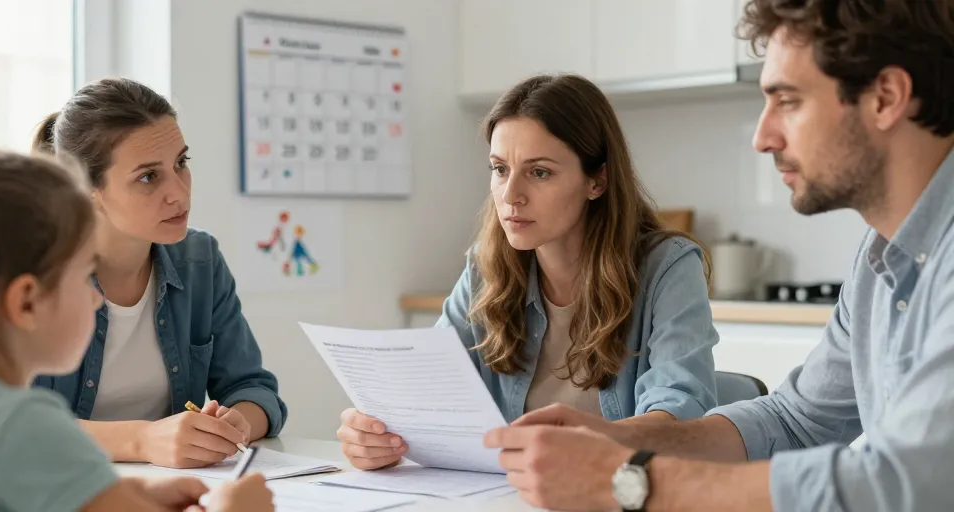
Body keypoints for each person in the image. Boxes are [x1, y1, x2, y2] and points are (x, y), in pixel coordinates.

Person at [482, 0, 954, 510]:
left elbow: (907, 483)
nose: (761, 136)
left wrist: (628, 482)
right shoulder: (878, 258)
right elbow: (796, 420)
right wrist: (612, 440)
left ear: (884, 97)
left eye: (788, 101)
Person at [338, 74, 720, 470]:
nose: (510, 195)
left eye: (539, 173)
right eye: (500, 169)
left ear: (598, 180)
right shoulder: (485, 268)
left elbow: (681, 415)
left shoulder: (668, 268)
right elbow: (429, 390)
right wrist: (376, 434)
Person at [0, 150, 273, 511]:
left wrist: (127, 493)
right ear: (27, 302)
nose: (96, 299)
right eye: (82, 276)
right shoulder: (26, 426)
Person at [31, 77, 287, 469]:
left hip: (167, 491)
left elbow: (253, 388)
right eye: (148, 177)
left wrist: (235, 424)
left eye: (181, 163)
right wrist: (141, 441)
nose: (180, 193)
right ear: (86, 189)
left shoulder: (200, 260)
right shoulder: (29, 274)